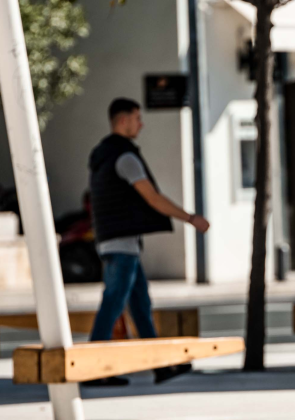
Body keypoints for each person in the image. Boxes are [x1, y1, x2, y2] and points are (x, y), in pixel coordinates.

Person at [86, 98, 210, 387]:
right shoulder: (125, 157)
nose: (141, 124)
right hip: (122, 244)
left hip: (114, 240)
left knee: (140, 304)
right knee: (114, 302)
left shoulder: (102, 154)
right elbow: (152, 198)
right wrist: (190, 218)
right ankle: (93, 370)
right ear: (122, 120)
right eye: (137, 118)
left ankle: (159, 366)